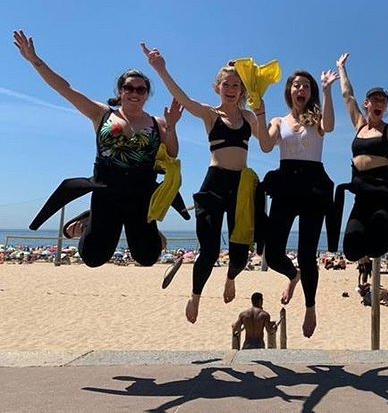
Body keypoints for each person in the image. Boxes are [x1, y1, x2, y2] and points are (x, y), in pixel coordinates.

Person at [14, 30, 183, 268]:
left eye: (140, 89)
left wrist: (173, 126)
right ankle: (87, 222)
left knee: (147, 258)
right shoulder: (102, 114)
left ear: (147, 94)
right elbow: (65, 89)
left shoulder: (158, 122)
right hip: (106, 188)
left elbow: (173, 153)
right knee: (93, 258)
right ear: (120, 91)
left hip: (141, 191)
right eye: (129, 88)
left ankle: (152, 238)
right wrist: (35, 61)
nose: (134, 93)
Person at [141, 43, 260, 323]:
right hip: (214, 184)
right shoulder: (210, 114)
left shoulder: (249, 117)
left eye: (236, 84)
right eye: (226, 83)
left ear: (242, 91)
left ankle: (231, 278)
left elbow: (266, 143)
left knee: (241, 253)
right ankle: (195, 296)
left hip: (241, 186)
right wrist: (161, 69)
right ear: (218, 87)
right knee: (209, 250)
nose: (231, 88)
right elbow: (182, 97)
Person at [254, 69, 339, 338]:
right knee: (273, 253)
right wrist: (260, 113)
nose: (301, 89)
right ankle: (293, 276)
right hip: (286, 183)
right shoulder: (280, 121)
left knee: (307, 254)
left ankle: (310, 307)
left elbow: (331, 125)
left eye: (306, 86)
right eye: (296, 85)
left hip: (313, 186)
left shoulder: (317, 119)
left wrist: (326, 89)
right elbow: (266, 146)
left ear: (310, 92)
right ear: (289, 91)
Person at [332, 53, 388, 262]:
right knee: (351, 251)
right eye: (375, 99)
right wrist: (341, 68)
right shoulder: (359, 125)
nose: (379, 103)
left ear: (385, 107)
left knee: (376, 248)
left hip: (383, 191)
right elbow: (348, 96)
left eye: (383, 101)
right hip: (361, 192)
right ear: (367, 104)